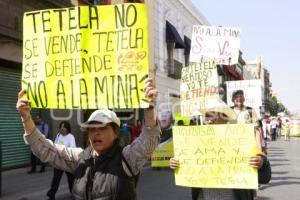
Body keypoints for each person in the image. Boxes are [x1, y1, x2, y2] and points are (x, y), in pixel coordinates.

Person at [17, 78, 160, 200]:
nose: (96, 133)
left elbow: (148, 141)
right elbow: (45, 150)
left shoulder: (127, 158)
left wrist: (149, 109)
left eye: (102, 128)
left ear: (116, 132)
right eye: (92, 129)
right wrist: (26, 118)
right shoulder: (79, 158)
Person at [170, 101, 271, 200]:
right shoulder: (196, 141)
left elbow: (265, 177)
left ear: (225, 118)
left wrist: (261, 163)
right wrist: (176, 163)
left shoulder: (241, 139)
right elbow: (187, 164)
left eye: (212, 116)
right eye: (207, 116)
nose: (209, 120)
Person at [47, 121, 76, 200]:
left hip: (67, 161)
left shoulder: (71, 137)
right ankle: (51, 195)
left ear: (67, 128)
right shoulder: (58, 135)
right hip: (58, 161)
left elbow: (72, 148)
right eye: (61, 127)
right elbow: (54, 145)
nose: (62, 129)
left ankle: (74, 194)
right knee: (56, 178)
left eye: (64, 127)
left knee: (71, 179)